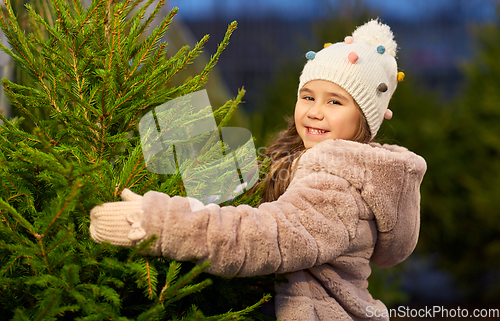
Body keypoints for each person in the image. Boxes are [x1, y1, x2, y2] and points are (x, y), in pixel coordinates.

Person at [90, 19, 427, 321]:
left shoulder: (338, 187)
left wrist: (160, 222)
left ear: (365, 119)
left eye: (335, 101)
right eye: (308, 97)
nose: (315, 111)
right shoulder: (298, 161)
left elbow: (269, 236)